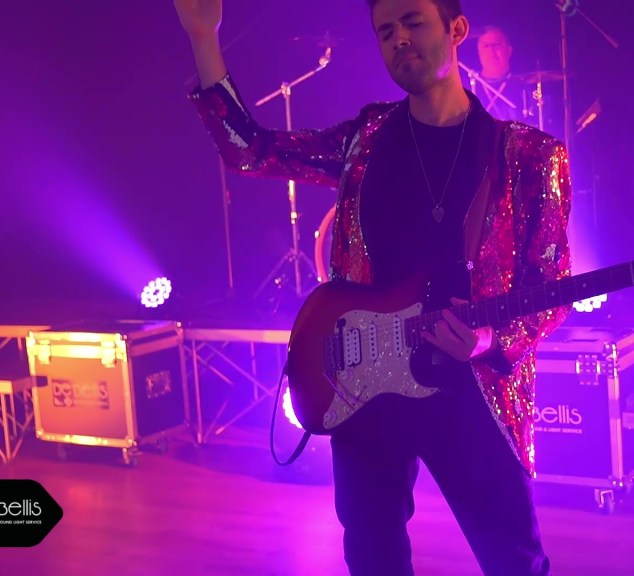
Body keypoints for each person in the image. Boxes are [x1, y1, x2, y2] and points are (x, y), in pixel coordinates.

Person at [174, 0, 573, 574]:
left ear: (456, 29)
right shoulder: (367, 138)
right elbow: (250, 151)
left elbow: (551, 283)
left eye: (413, 21)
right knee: (372, 552)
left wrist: (490, 339)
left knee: (514, 559)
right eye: (386, 31)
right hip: (366, 381)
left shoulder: (529, 155)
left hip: (472, 386)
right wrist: (203, 37)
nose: (399, 39)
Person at [469, 25, 525, 122]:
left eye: (496, 45)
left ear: (509, 50)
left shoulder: (523, 86)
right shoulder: (469, 87)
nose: (491, 51)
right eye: (486, 46)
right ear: (479, 52)